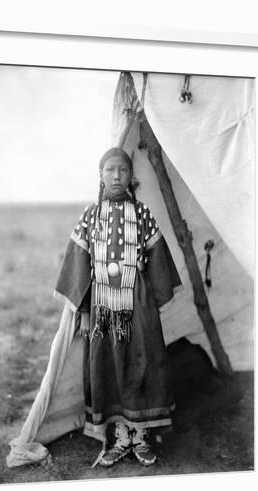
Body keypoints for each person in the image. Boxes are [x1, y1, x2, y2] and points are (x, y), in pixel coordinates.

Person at [54, 147, 181, 467]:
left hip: (137, 302)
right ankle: (120, 435)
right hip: (101, 306)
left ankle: (142, 437)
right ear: (100, 175)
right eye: (109, 170)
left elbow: (159, 263)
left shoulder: (142, 215)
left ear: (130, 177)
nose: (116, 175)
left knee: (143, 362)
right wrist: (83, 311)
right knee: (107, 364)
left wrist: (151, 305)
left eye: (122, 170)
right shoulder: (90, 216)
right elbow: (78, 264)